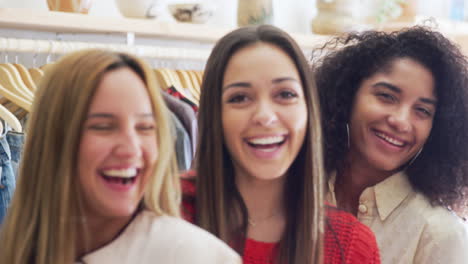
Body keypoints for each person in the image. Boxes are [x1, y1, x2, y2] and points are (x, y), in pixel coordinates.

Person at [0, 49, 241, 264]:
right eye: (103, 126)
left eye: (145, 127)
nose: (131, 149)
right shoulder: (13, 249)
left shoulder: (199, 256)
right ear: (55, 139)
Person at [182, 25, 380, 264]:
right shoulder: (165, 211)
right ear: (215, 115)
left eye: (285, 94)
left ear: (309, 110)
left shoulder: (352, 246)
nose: (265, 116)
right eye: (240, 98)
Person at [314, 26, 468, 263]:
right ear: (347, 95)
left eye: (422, 110)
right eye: (386, 96)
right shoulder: (300, 187)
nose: (400, 121)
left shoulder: (441, 235)